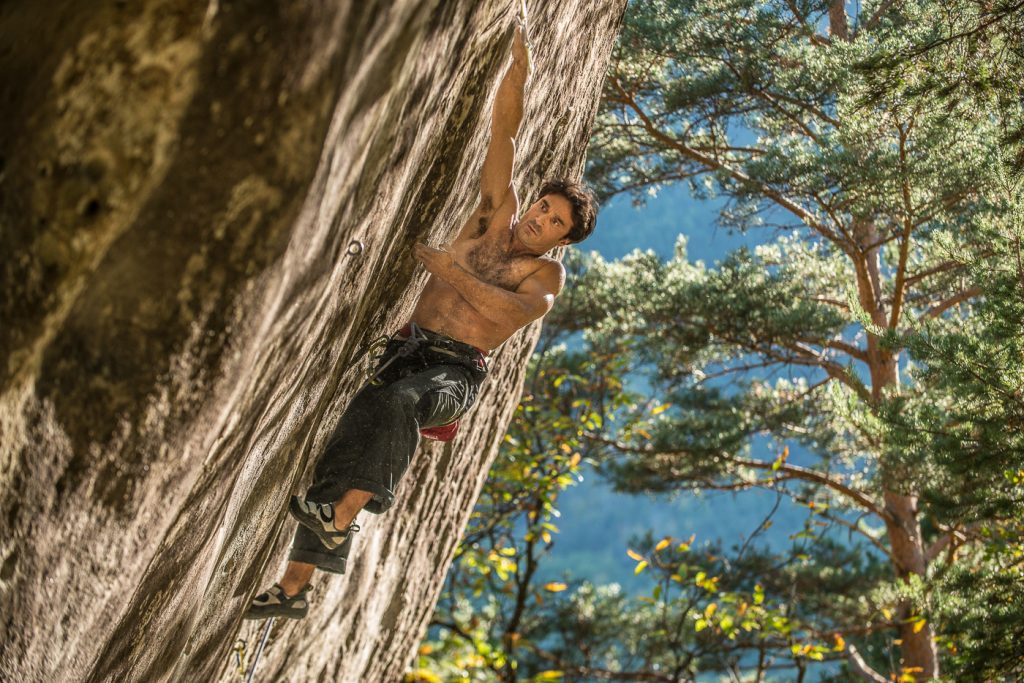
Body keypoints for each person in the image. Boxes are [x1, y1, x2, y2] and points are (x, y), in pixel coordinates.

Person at [245, 10, 597, 620]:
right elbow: (504, 137)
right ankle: (294, 589)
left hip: (455, 375)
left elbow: (506, 313)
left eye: (554, 222)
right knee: (344, 453)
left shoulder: (546, 275)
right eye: (543, 205)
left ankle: (345, 517)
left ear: (562, 240)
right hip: (408, 347)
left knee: (401, 404)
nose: (539, 217)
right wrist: (521, 67)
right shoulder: (494, 214)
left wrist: (447, 268)